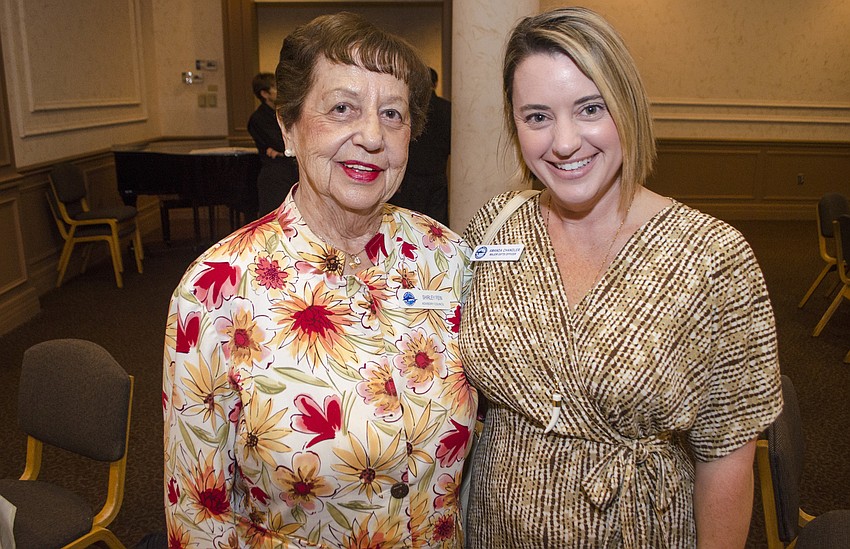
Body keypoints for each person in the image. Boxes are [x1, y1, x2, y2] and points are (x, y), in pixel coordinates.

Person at [459, 7, 782, 548]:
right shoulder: (495, 226)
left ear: (627, 106)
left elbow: (727, 455)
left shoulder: (712, 257)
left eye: (590, 109)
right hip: (495, 528)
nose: (564, 142)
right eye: (537, 117)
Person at [163, 12, 478, 548]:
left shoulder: (448, 259)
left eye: (393, 114)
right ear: (288, 127)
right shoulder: (215, 289)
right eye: (342, 108)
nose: (373, 136)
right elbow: (198, 513)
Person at [389, 68, 451, 225]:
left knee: (409, 221)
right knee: (436, 224)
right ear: (435, 84)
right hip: (437, 174)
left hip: (412, 175)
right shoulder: (447, 108)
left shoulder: (412, 109)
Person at [247, 72, 299, 216]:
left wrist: (283, 151)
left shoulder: (285, 113)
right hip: (275, 177)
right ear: (264, 94)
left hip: (292, 172)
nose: (281, 91)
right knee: (277, 219)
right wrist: (285, 149)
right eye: (276, 88)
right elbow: (281, 142)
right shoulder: (258, 118)